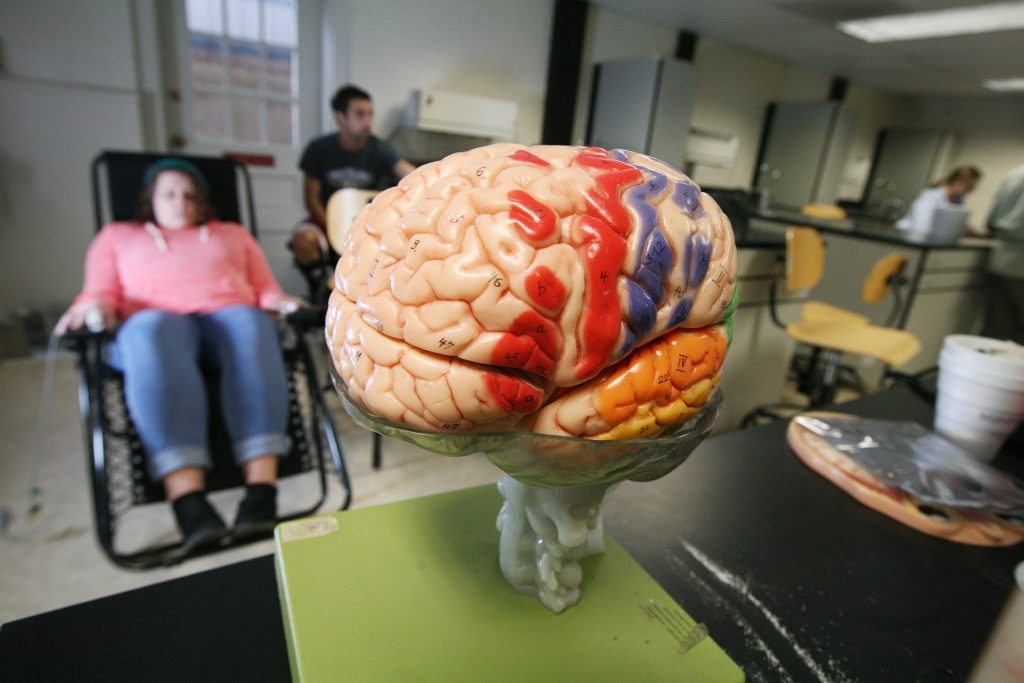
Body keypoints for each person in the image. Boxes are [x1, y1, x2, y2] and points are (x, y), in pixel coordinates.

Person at [56, 159, 304, 552]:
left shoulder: (232, 234)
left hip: (228, 313)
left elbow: (265, 290)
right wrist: (93, 310)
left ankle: (261, 494)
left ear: (202, 200)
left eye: (190, 194)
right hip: (154, 320)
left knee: (252, 324)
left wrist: (285, 304)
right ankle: (190, 504)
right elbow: (100, 292)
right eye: (169, 193)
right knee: (151, 332)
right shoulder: (118, 236)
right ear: (150, 199)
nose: (180, 201)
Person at [291, 84, 416, 268]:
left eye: (370, 114)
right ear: (340, 117)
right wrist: (334, 227)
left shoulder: (381, 148)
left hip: (368, 222)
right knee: (303, 241)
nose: (367, 121)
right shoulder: (318, 149)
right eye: (359, 114)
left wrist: (438, 175)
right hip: (325, 218)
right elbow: (311, 199)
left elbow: (407, 171)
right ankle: (323, 288)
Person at [984, 162, 1024, 342]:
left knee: (998, 325)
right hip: (1020, 261)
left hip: (1000, 256)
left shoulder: (1015, 173)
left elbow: (992, 219)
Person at [896, 165, 982, 235]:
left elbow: (953, 225)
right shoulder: (931, 196)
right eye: (969, 187)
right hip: (908, 235)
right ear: (957, 181)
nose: (970, 191)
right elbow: (921, 226)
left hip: (933, 238)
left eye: (973, 188)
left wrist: (963, 229)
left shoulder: (959, 200)